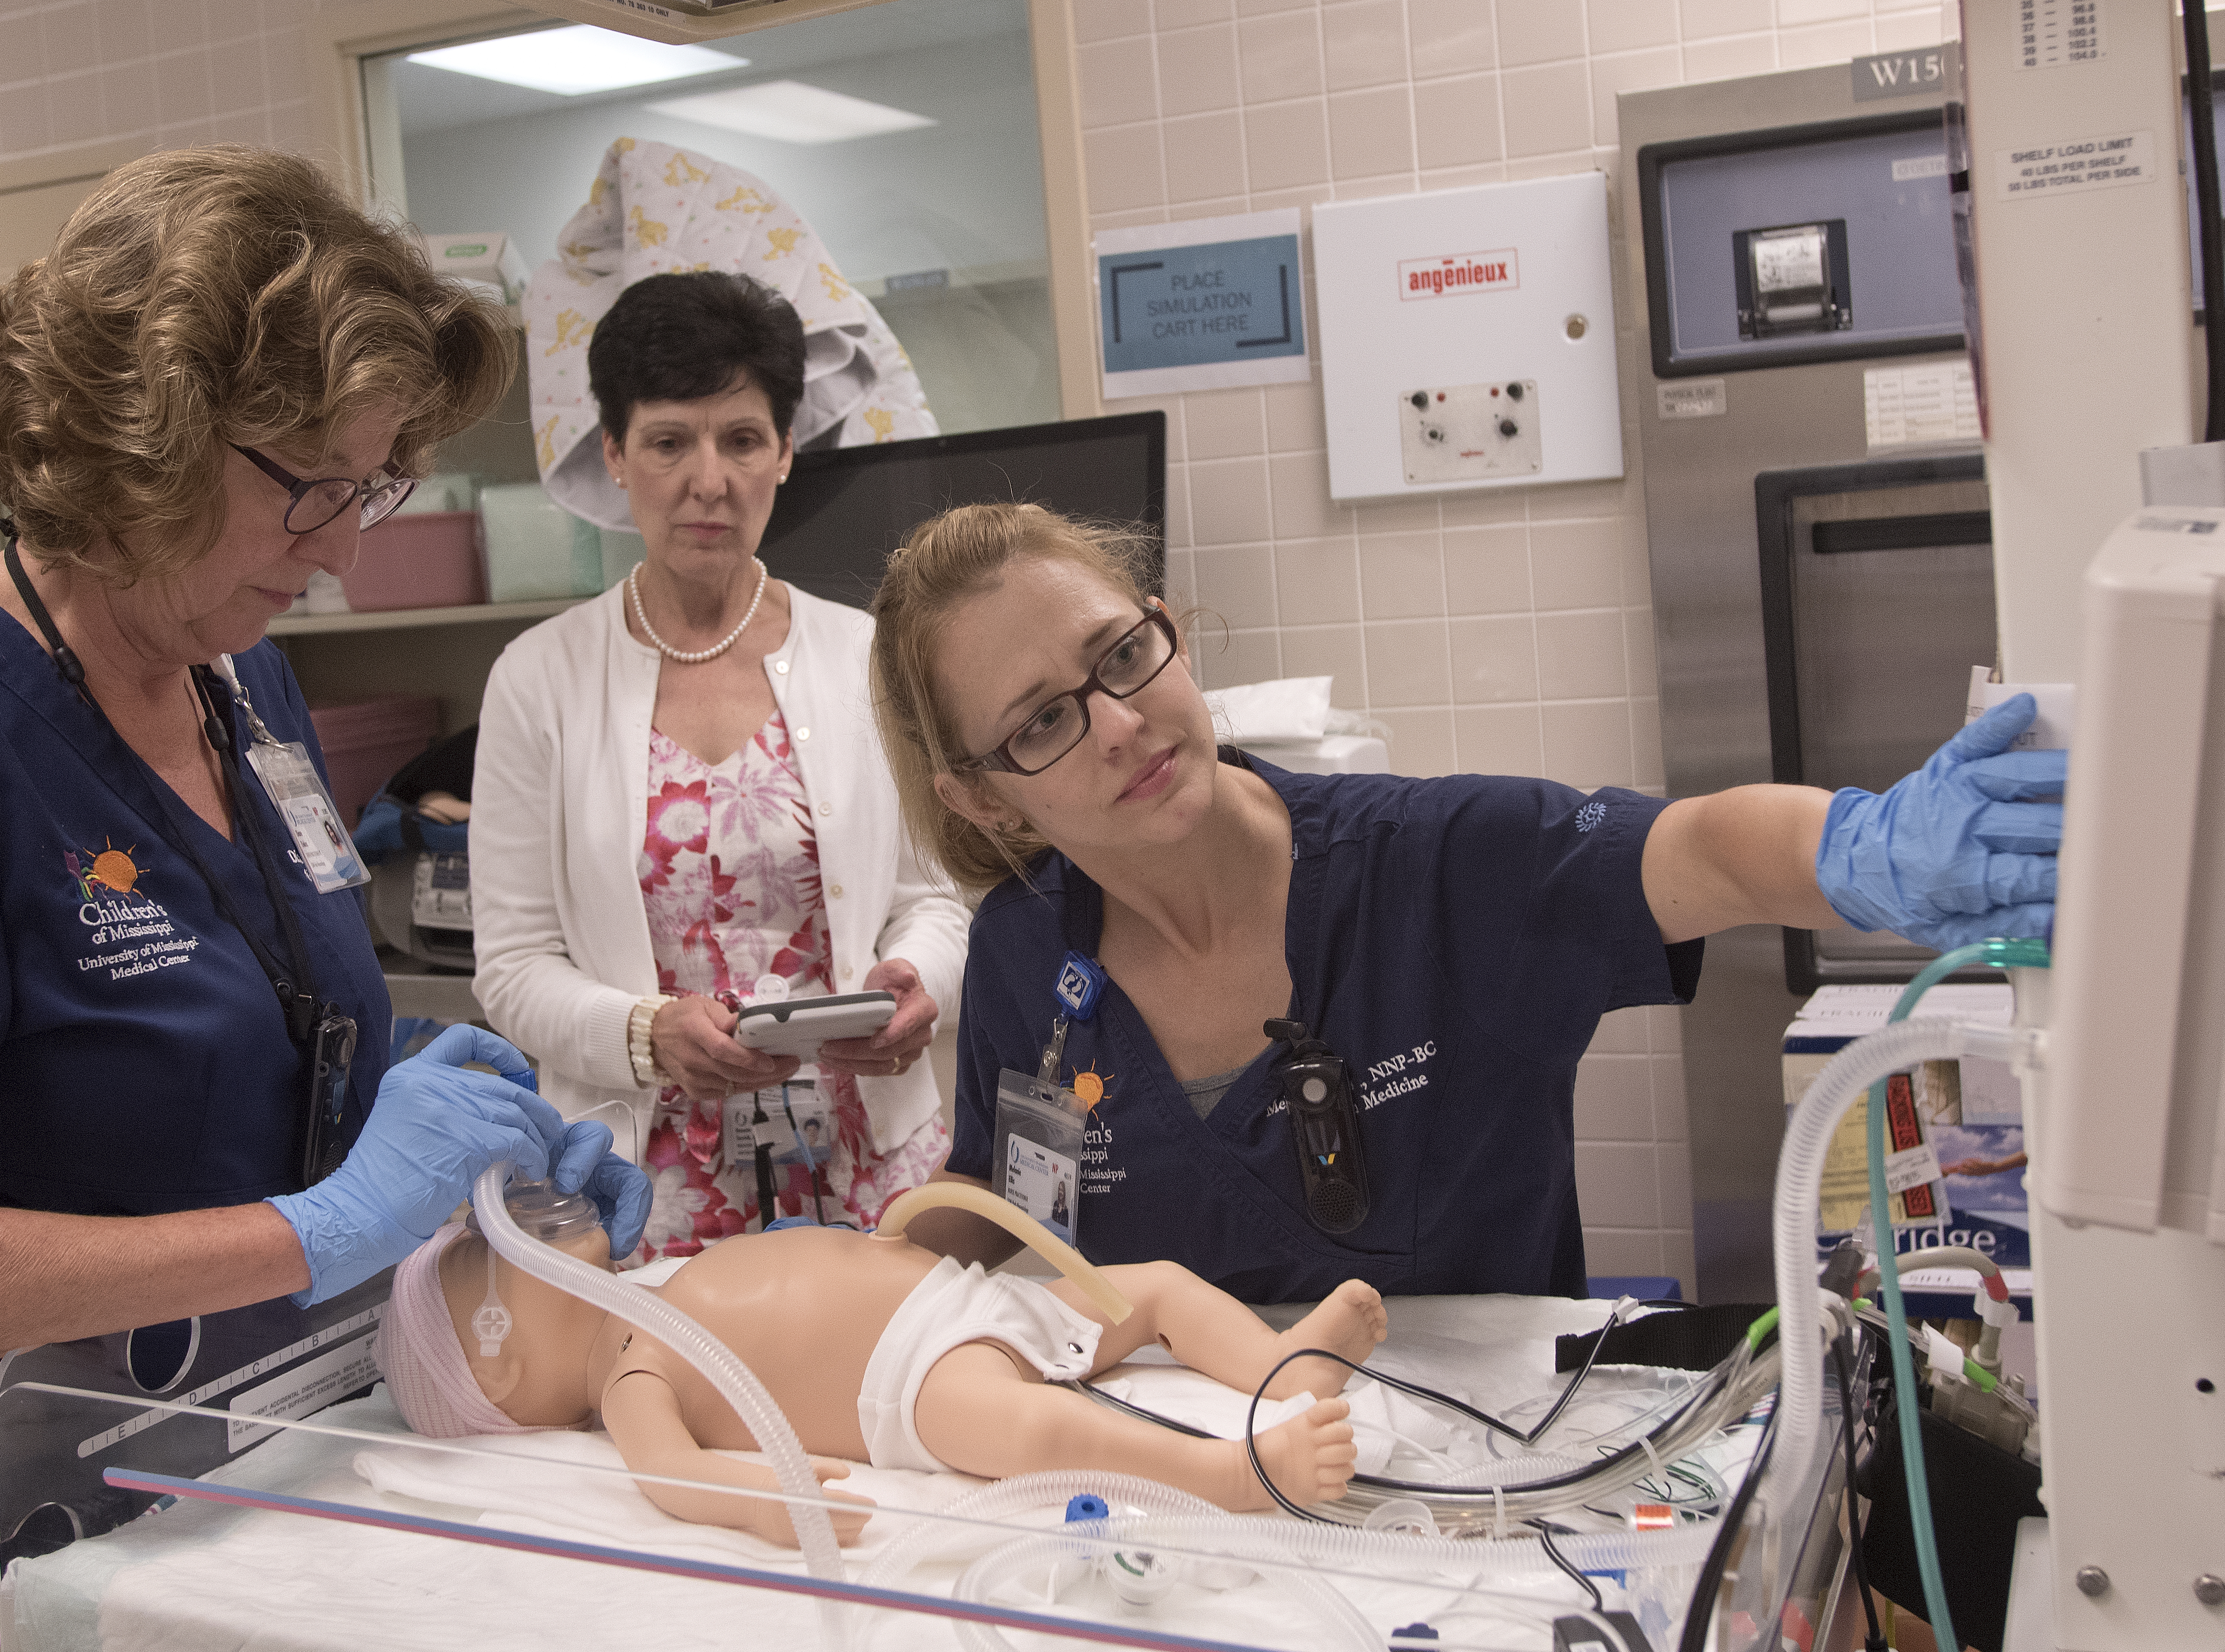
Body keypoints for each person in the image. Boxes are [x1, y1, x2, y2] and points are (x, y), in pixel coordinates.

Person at [0, 147, 651, 1652]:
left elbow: (248, 1031)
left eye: (378, 487)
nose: (345, 550)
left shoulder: (242, 688)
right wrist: (316, 1233)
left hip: (202, 1522)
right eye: (311, 488)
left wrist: (463, 1129)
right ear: (141, 430)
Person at [865, 503, 2065, 1304]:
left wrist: (1863, 842)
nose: (1119, 723)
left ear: (1169, 637)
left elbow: (1701, 847)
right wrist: (827, 1280)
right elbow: (1007, 1198)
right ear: (982, 800)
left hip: (1491, 1500)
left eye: (1121, 657)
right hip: (1182, 1512)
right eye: (1040, 722)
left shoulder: (1434, 867)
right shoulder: (1031, 957)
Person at [472, 272, 966, 1259]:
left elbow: (936, 897)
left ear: (785, 451)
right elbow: (514, 969)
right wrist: (646, 1033)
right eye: (669, 442)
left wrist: (921, 983)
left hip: (869, 1166)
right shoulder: (539, 680)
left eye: (742, 439)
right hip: (643, 1183)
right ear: (614, 453)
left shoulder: (868, 656)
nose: (711, 480)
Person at [375, 1189, 1385, 1533]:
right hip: (914, 1381)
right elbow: (670, 1475)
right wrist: (765, 1500)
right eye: (502, 1257)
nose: (536, 1227)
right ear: (498, 1365)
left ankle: (1281, 1366)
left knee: (1157, 1284)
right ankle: (1235, 1474)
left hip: (971, 1299)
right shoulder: (639, 1373)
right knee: (1033, 1430)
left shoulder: (658, 1282)